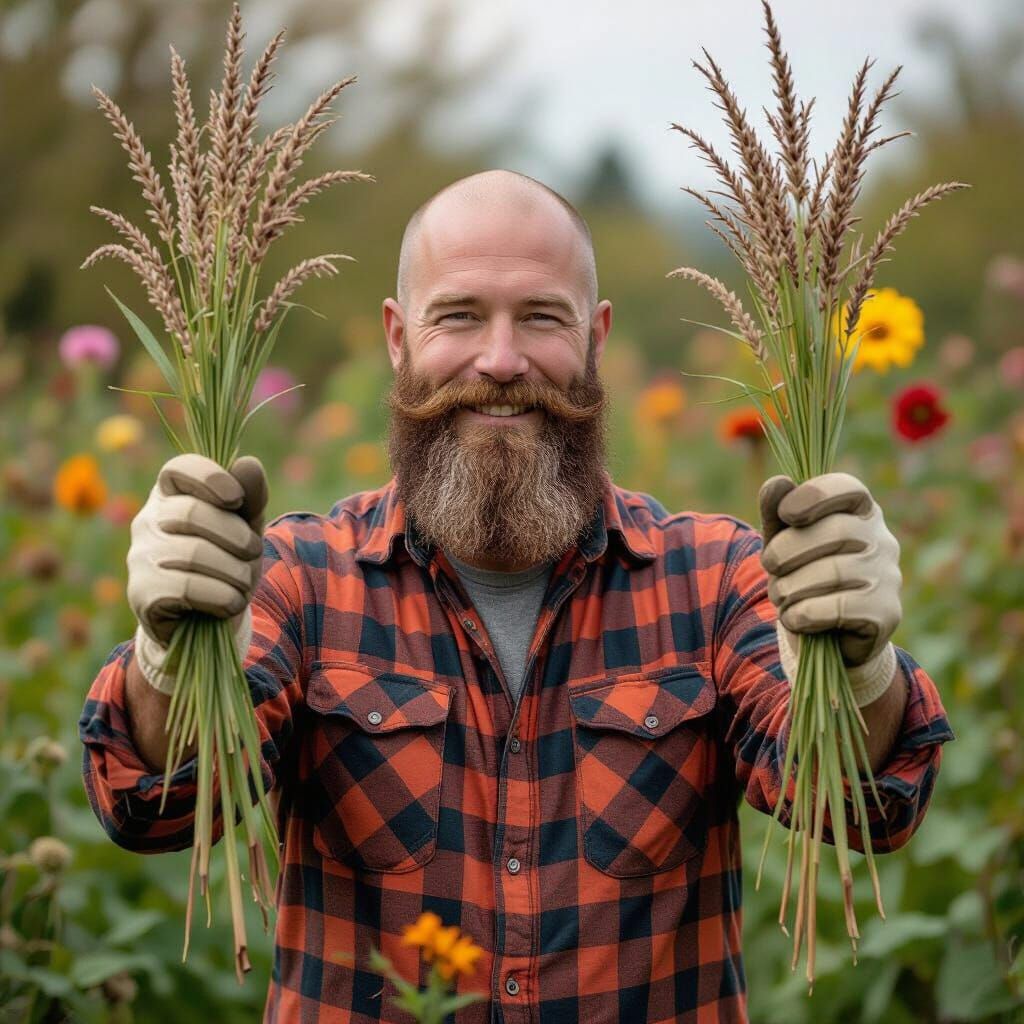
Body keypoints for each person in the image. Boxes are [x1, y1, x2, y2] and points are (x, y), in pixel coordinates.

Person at [80, 169, 954, 1023]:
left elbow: (860, 809)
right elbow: (157, 810)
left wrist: (859, 663)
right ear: (397, 337)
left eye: (541, 317)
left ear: (596, 337)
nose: (500, 360)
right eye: (458, 315)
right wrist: (170, 652)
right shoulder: (297, 579)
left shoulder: (716, 579)